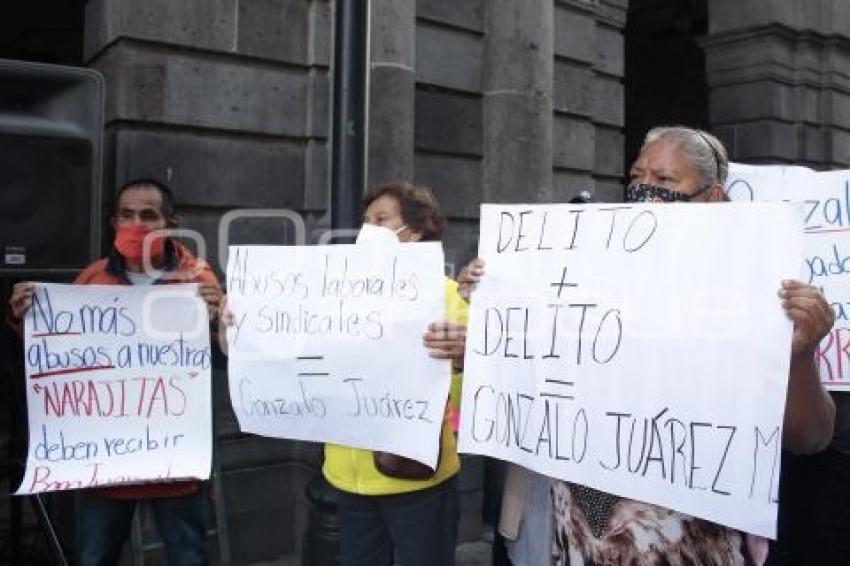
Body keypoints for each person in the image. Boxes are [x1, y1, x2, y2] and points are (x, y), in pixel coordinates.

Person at [458, 126, 835, 566]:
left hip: (686, 544)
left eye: (665, 180)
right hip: (578, 539)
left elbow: (811, 437)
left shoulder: (754, 293)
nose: (644, 190)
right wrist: (496, 299)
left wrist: (802, 355)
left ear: (712, 200)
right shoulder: (582, 270)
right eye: (637, 178)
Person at [8, 178, 222, 566]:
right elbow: (60, 357)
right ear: (113, 222)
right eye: (126, 215)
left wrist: (223, 319)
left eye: (147, 215)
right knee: (95, 557)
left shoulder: (199, 281)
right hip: (107, 465)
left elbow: (225, 359)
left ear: (171, 223)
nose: (135, 223)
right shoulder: (92, 279)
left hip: (174, 464)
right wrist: (25, 318)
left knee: (188, 557)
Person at [321, 181, 468, 566]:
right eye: (365, 221)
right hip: (347, 477)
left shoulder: (449, 297)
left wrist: (462, 360)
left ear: (415, 230)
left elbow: (471, 398)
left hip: (418, 477)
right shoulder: (337, 297)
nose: (368, 230)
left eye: (381, 220)